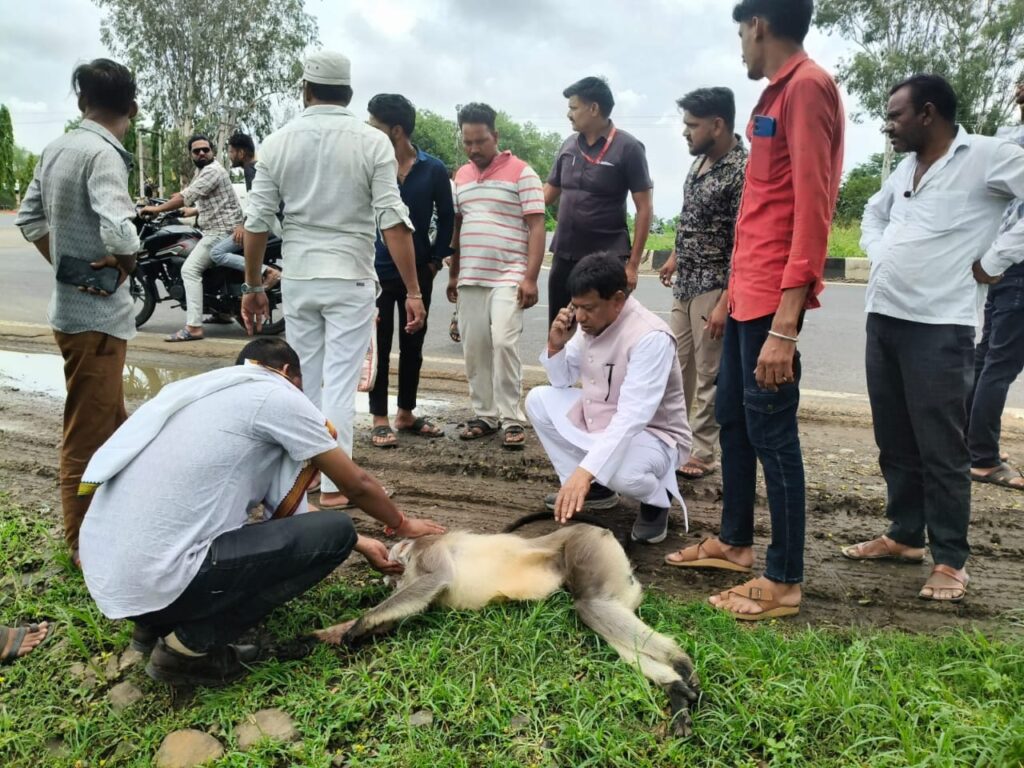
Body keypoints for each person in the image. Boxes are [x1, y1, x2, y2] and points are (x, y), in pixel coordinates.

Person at [77, 338, 445, 687]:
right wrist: (401, 524)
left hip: (110, 574)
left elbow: (286, 507)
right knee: (337, 531)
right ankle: (187, 648)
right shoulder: (275, 393)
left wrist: (362, 543)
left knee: (332, 533)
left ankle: (152, 625)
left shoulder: (203, 392)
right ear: (286, 372)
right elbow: (356, 484)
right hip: (155, 578)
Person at [665, 0, 845, 621]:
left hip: (774, 305)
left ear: (759, 25)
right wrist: (731, 300)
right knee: (735, 423)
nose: (741, 43)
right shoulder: (774, 95)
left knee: (773, 435)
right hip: (746, 297)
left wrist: (785, 327)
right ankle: (734, 543)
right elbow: (759, 214)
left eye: (742, 31)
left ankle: (784, 579)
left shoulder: (808, 88)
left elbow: (813, 206)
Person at [843, 75, 1024, 602]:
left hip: (940, 327)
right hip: (884, 319)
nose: (888, 125)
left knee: (942, 448)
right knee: (894, 439)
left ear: (927, 113)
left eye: (895, 115)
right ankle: (905, 535)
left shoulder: (987, 156)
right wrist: (879, 251)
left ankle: (950, 559)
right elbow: (874, 212)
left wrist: (996, 258)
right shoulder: (905, 168)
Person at [240, 51, 426, 509]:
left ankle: (301, 479)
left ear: (306, 90)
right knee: (340, 384)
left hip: (300, 276)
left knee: (305, 380)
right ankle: (335, 486)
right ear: (349, 93)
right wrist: (414, 290)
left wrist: (254, 286)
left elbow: (257, 221)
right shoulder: (372, 142)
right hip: (351, 277)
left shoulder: (277, 142)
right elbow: (392, 220)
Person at [15, 58, 142, 562]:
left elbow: (29, 218)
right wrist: (124, 264)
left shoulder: (57, 148)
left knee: (116, 425)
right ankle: (82, 545)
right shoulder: (104, 154)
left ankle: (121, 518)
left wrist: (67, 268)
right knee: (87, 436)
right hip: (99, 322)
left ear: (81, 101)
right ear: (132, 107)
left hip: (70, 315)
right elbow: (120, 232)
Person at [526, 254, 691, 544]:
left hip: (654, 435)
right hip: (603, 421)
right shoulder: (591, 324)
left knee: (624, 474)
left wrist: (585, 471)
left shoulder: (650, 337)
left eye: (588, 308)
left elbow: (632, 417)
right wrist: (555, 345)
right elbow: (561, 381)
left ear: (617, 300)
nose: (579, 317)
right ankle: (595, 491)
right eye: (576, 307)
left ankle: (657, 498)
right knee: (538, 400)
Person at [658, 87, 747, 479]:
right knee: (677, 367)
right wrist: (675, 256)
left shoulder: (742, 170)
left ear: (718, 125)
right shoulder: (698, 164)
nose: (685, 132)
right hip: (686, 282)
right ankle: (674, 440)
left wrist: (726, 300)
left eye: (692, 125)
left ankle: (704, 452)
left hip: (715, 284)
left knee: (709, 373)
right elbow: (691, 217)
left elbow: (743, 239)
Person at [448, 102, 546, 450]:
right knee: (475, 348)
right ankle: (485, 416)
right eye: (467, 142)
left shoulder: (522, 173)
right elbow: (457, 228)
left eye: (480, 141)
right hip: (470, 277)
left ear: (496, 136)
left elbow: (536, 227)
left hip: (509, 275)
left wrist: (530, 278)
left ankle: (511, 418)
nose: (473, 149)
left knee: (504, 343)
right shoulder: (460, 177)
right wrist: (453, 274)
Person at [366, 94, 455, 447]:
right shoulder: (371, 164)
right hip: (376, 272)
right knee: (379, 344)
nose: (369, 131)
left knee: (413, 344)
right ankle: (379, 417)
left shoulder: (433, 169)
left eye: (375, 126)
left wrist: (435, 260)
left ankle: (405, 412)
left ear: (397, 130)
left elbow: (447, 217)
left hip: (418, 272)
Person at [544, 76, 654, 324]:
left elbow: (644, 208)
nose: (569, 114)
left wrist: (633, 265)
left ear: (593, 108)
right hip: (564, 255)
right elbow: (548, 193)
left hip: (606, 260)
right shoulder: (568, 146)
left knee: (601, 330)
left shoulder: (629, 148)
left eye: (573, 107)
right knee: (560, 325)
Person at [967, 82, 1024, 490]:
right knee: (999, 363)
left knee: (987, 356)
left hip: (1002, 262)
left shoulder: (1007, 141)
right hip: (1015, 263)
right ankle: (982, 458)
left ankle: (971, 442)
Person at [141, 134, 244, 342]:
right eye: (197, 151)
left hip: (220, 231)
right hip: (217, 227)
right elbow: (201, 196)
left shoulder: (212, 170)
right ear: (191, 154)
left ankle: (194, 327)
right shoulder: (202, 171)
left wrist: (157, 209)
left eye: (205, 149)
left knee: (189, 270)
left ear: (212, 151)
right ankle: (222, 313)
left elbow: (185, 197)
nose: (202, 153)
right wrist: (189, 209)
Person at [207, 132, 280, 288]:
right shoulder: (259, 168)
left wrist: (243, 225)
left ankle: (268, 271)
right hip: (273, 224)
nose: (230, 156)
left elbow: (257, 205)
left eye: (231, 152)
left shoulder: (251, 169)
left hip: (267, 226)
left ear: (241, 153)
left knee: (216, 253)